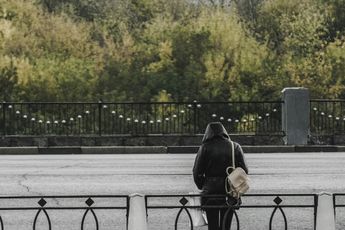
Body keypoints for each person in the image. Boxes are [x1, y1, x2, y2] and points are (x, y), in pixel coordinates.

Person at [193, 122, 248, 230]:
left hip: (210, 192)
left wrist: (203, 185)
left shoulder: (204, 147)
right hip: (230, 191)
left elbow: (197, 171)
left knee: (212, 226)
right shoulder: (235, 146)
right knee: (226, 225)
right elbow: (244, 170)